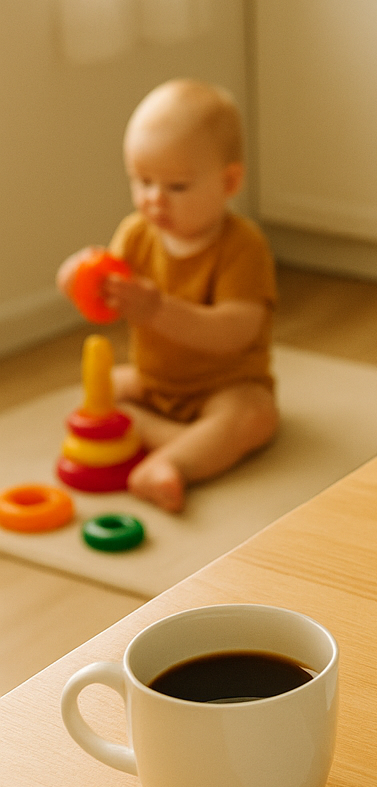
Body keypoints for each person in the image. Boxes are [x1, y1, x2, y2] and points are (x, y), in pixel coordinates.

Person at [57, 79, 278, 512]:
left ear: (228, 181)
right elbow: (104, 302)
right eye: (142, 181)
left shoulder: (243, 245)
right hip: (155, 382)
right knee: (95, 392)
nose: (155, 200)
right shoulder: (136, 234)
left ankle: (169, 461)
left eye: (176, 187)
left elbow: (236, 331)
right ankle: (193, 442)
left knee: (255, 415)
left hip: (224, 385)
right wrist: (76, 278)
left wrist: (157, 309)